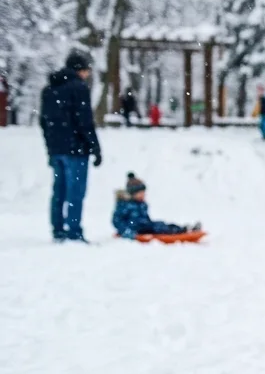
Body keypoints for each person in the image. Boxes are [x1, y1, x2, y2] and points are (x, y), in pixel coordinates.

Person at [40, 50, 102, 243]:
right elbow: (85, 121)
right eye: (86, 70)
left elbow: (43, 120)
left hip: (56, 149)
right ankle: (74, 231)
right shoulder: (78, 88)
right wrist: (95, 147)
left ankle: (57, 229)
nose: (88, 74)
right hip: (76, 150)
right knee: (75, 191)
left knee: (59, 190)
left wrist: (50, 147)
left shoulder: (49, 89)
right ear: (79, 70)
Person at [112, 173, 199, 238]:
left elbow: (146, 218)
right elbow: (117, 220)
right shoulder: (126, 205)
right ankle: (180, 232)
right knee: (158, 227)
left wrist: (149, 223)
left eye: (143, 193)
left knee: (160, 224)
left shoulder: (142, 204)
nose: (143, 195)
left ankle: (184, 229)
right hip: (136, 229)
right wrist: (126, 231)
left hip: (145, 226)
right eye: (140, 193)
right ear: (132, 194)